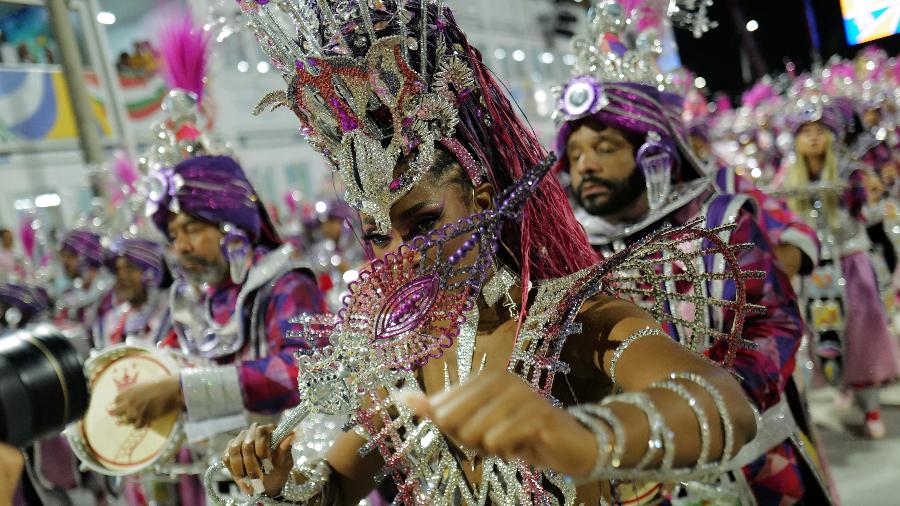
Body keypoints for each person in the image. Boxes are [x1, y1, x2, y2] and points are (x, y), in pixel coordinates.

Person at [216, 1, 763, 504]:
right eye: (377, 236)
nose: (400, 256)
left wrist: (587, 436)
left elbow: (725, 405)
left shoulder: (570, 318)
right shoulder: (403, 361)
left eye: (424, 222)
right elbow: (339, 486)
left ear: (481, 200)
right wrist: (280, 482)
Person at [553, 4, 831, 503]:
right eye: (574, 155)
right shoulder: (572, 251)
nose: (585, 166)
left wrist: (716, 407)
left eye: (604, 147)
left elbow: (777, 326)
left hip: (757, 464)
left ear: (650, 150)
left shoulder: (722, 217)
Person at [783, 100, 899, 440]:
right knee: (825, 335)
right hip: (816, 271)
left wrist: (876, 195)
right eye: (805, 133)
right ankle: (843, 384)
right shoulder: (788, 178)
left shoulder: (852, 172)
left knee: (864, 336)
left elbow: (875, 214)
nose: (813, 138)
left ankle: (871, 406)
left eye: (820, 131)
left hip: (853, 264)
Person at [93, 237, 173, 349]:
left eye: (130, 268)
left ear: (151, 273)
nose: (122, 276)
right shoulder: (108, 322)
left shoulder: (172, 315)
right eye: (117, 270)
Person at [55, 229, 113, 331]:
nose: (65, 262)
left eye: (70, 256)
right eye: (63, 256)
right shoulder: (73, 291)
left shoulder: (109, 292)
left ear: (87, 255)